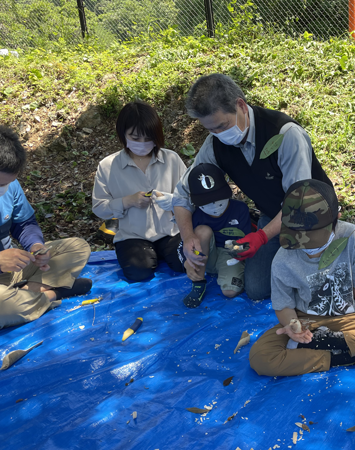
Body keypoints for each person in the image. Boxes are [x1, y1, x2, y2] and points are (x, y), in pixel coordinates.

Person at [173, 74, 333, 300]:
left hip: (313, 215)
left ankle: (328, 243)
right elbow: (182, 194)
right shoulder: (216, 144)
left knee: (314, 289)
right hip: (273, 214)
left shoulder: (285, 134)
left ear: (240, 105)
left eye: (222, 126)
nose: (219, 135)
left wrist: (262, 237)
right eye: (211, 130)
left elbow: (298, 203)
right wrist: (188, 237)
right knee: (257, 289)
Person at [249, 179, 355, 377]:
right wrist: (293, 328)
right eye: (297, 234)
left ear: (336, 218)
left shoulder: (351, 236)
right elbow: (284, 306)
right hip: (307, 322)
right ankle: (347, 356)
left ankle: (331, 345)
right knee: (261, 357)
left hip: (349, 318)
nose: (307, 245)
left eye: (313, 235)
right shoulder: (283, 258)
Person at [0, 125, 92, 329]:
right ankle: (53, 293)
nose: (3, 190)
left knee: (78, 247)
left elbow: (23, 223)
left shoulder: (10, 186)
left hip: (12, 270)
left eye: (7, 184)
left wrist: (35, 246)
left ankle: (28, 292)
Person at [92, 100, 187, 282]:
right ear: (123, 134)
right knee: (138, 272)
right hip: (132, 236)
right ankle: (149, 257)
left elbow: (189, 196)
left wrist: (174, 200)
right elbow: (99, 207)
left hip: (171, 232)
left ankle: (162, 254)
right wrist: (127, 201)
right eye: (135, 138)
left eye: (148, 138)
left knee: (186, 262)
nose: (142, 144)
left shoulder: (171, 160)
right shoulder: (108, 166)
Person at [176, 163, 251, 307]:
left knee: (230, 291)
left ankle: (229, 275)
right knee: (202, 231)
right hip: (205, 255)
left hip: (231, 255)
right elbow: (184, 243)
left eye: (218, 198)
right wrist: (187, 261)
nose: (214, 205)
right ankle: (198, 283)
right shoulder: (197, 214)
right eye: (207, 202)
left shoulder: (240, 209)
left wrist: (239, 252)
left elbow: (248, 240)